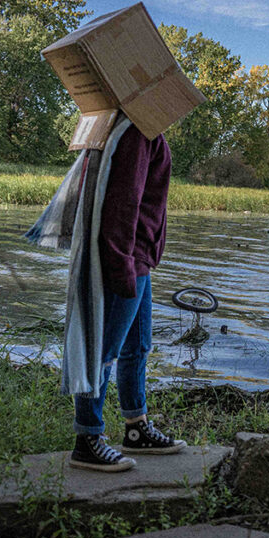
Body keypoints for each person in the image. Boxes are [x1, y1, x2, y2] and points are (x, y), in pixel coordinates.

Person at [68, 121, 187, 472]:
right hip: (126, 261)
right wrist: (121, 266)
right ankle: (87, 438)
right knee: (102, 352)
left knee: (137, 347)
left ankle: (136, 428)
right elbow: (123, 202)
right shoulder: (136, 131)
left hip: (140, 260)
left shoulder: (146, 130)